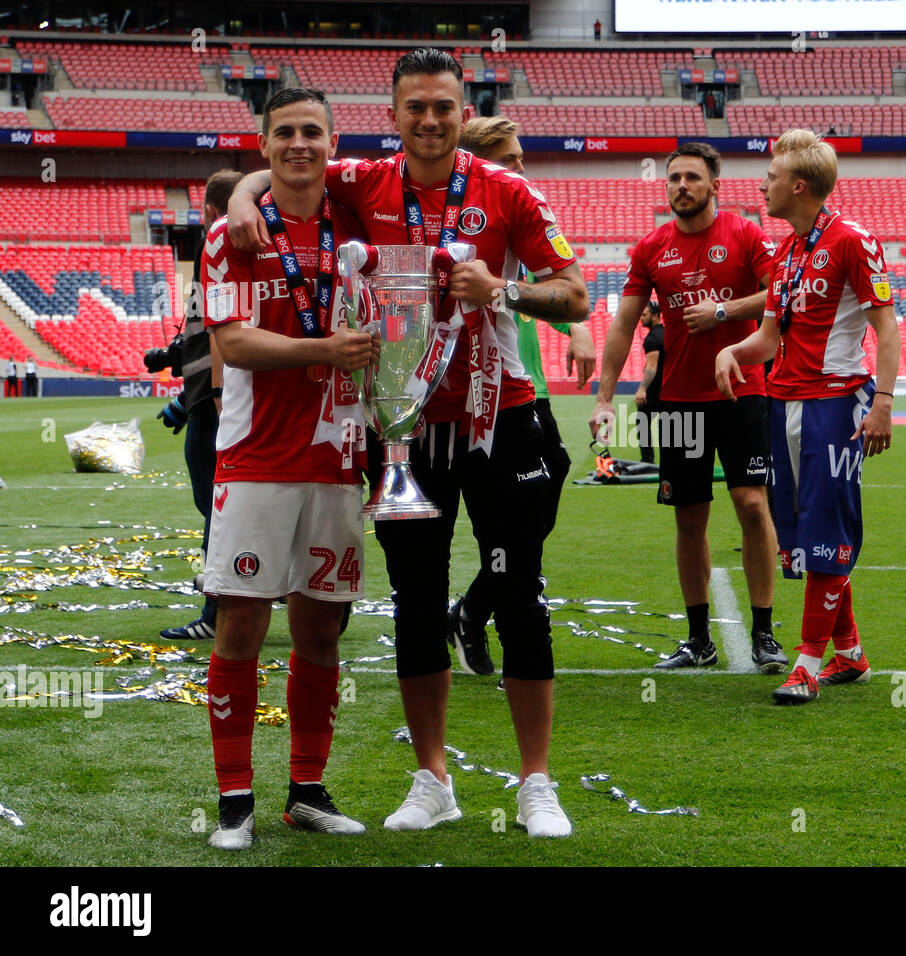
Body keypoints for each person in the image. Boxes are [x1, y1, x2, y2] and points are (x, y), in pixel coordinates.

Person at [225, 49, 589, 837]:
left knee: (519, 600)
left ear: (463, 112)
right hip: (406, 432)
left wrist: (506, 289)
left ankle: (537, 783)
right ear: (392, 116)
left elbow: (576, 297)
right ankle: (433, 779)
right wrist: (250, 190)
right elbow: (289, 165)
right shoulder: (363, 184)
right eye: (414, 108)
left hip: (501, 420)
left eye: (443, 108)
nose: (429, 120)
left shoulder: (508, 191)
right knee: (417, 607)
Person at [199, 88, 377, 850]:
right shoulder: (230, 233)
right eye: (284, 134)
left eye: (312, 132)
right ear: (264, 144)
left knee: (321, 632)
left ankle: (305, 788)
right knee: (242, 622)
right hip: (256, 459)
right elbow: (234, 344)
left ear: (331, 142)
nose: (299, 144)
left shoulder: (361, 223)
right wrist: (321, 350)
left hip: (337, 458)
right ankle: (233, 802)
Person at [716, 128, 900, 705]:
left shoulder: (853, 241)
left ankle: (807, 662)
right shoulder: (788, 251)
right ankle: (850, 652)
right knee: (798, 535)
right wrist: (732, 350)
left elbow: (886, 326)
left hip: (836, 405)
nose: (762, 186)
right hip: (784, 404)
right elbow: (770, 338)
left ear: (798, 186)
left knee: (827, 531)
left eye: (770, 177)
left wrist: (885, 403)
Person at [588, 141, 786, 674]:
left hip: (743, 391)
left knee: (751, 504)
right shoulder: (651, 247)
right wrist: (606, 398)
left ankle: (765, 634)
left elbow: (780, 294)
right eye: (673, 178)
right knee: (689, 517)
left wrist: (722, 310)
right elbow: (624, 325)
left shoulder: (745, 233)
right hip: (678, 402)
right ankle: (699, 639)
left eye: (692, 178)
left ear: (714, 185)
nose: (681, 186)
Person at [447, 115, 597, 676]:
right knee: (513, 522)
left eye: (522, 158)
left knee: (545, 488)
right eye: (510, 159)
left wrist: (577, 327)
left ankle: (474, 608)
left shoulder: (514, 213)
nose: (520, 168)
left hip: (521, 390)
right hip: (483, 400)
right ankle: (486, 611)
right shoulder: (468, 219)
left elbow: (551, 292)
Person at [158, 169, 243, 644]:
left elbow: (216, 338)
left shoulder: (218, 248)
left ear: (209, 212)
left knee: (217, 506)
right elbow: (199, 336)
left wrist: (205, 402)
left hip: (219, 405)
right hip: (216, 400)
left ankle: (217, 609)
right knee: (227, 504)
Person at [635, 300, 663, 464]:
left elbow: (652, 366)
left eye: (644, 315)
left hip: (655, 390)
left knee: (643, 421)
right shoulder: (667, 334)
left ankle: (647, 460)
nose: (641, 318)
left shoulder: (652, 338)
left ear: (655, 316)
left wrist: (642, 389)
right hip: (669, 389)